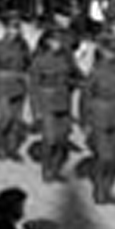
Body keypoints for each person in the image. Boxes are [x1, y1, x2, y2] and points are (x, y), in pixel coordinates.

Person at [81, 38, 115, 205]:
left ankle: (106, 189)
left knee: (114, 158)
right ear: (102, 52)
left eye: (114, 52)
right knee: (104, 157)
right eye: (109, 51)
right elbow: (85, 97)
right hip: (99, 116)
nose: (111, 54)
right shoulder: (95, 72)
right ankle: (99, 192)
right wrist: (85, 121)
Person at [29, 30, 81, 183]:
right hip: (46, 103)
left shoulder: (66, 60)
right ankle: (46, 170)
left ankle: (55, 169)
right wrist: (36, 111)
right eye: (55, 41)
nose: (58, 44)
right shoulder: (39, 61)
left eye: (60, 41)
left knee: (62, 139)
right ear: (48, 42)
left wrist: (80, 84)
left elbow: (72, 78)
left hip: (63, 102)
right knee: (50, 139)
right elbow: (33, 87)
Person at [0, 13, 31, 162]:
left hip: (19, 87)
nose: (14, 31)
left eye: (17, 28)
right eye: (11, 28)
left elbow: (28, 64)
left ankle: (12, 149)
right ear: (6, 29)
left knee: (16, 120)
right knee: (5, 119)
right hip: (3, 87)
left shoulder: (24, 46)